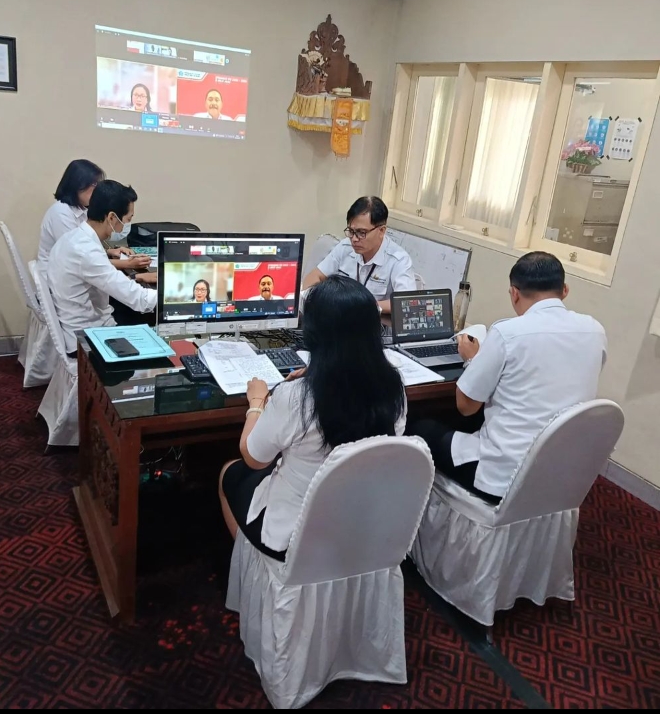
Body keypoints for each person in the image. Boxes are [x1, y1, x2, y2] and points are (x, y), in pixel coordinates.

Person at [219, 276, 408, 560]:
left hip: (296, 534)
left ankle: (253, 567)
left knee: (229, 472)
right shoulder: (394, 387)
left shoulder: (296, 397)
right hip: (363, 523)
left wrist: (256, 402)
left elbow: (254, 458)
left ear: (312, 333)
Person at [414, 252, 608, 504]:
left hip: (501, 477)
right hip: (562, 473)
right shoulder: (595, 330)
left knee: (419, 427)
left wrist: (474, 359)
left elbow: (466, 407)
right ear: (565, 290)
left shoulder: (508, 333)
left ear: (514, 293)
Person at [47, 181, 159, 352]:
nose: (126, 225)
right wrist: (179, 294)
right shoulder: (86, 251)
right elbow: (140, 300)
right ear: (112, 218)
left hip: (82, 324)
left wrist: (137, 277)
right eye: (128, 219)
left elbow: (104, 279)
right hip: (87, 338)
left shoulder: (75, 238)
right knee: (160, 328)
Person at [303, 197, 418, 316]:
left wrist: (364, 307)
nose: (354, 239)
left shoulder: (399, 260)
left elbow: (406, 302)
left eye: (361, 233)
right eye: (351, 231)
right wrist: (322, 301)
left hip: (374, 325)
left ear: (381, 231)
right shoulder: (345, 247)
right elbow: (313, 276)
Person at [37, 160, 105, 270]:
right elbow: (80, 256)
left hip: (69, 270)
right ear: (78, 185)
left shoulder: (81, 209)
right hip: (57, 277)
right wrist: (125, 263)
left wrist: (110, 252)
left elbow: (88, 246)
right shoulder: (61, 213)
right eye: (94, 184)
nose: (97, 190)